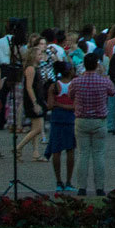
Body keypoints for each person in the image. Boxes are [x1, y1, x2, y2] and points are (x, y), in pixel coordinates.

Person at [71, 51, 115, 196]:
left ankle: (81, 187)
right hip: (99, 120)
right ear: (97, 64)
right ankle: (100, 187)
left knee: (82, 154)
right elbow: (113, 92)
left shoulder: (76, 81)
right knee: (98, 154)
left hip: (82, 119)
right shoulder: (103, 81)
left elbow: (71, 95)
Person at [45, 61, 77, 192]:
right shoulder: (74, 86)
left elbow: (50, 105)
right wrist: (66, 106)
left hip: (57, 119)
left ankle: (58, 181)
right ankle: (69, 181)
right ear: (70, 71)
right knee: (70, 150)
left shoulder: (54, 86)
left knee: (56, 151)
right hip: (70, 120)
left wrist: (59, 104)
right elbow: (75, 106)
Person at [15, 38, 48, 161]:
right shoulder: (30, 69)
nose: (41, 56)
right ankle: (19, 147)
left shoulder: (35, 68)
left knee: (36, 127)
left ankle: (35, 152)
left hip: (37, 97)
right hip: (33, 99)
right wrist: (35, 103)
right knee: (38, 128)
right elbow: (29, 87)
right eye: (39, 54)